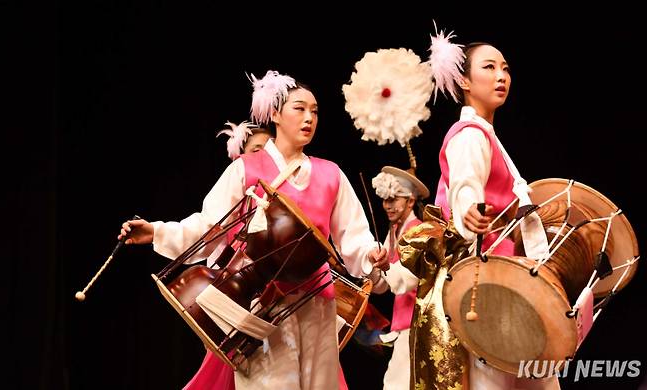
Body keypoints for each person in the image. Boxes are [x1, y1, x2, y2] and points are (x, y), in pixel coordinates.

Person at [119, 70, 388, 390]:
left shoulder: (331, 174)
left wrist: (371, 254)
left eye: (315, 111)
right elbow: (210, 226)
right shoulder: (246, 169)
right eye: (299, 109)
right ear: (275, 113)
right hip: (262, 304)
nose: (309, 118)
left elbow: (352, 235)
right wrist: (156, 232)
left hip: (317, 302)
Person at [431, 41, 557, 389]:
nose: (501, 76)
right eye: (489, 67)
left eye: (505, 68)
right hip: (486, 281)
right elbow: (464, 185)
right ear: (465, 81)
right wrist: (469, 211)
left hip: (501, 276)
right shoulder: (470, 135)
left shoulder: (486, 134)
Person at [181, 122, 274, 390]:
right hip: (236, 296)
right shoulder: (232, 213)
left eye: (269, 150)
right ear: (240, 158)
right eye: (256, 150)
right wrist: (156, 232)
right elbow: (206, 232)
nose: (264, 157)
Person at [368, 165, 429, 389]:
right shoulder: (395, 231)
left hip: (417, 322)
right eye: (385, 199)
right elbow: (382, 284)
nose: (387, 205)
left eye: (394, 199)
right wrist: (368, 266)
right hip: (404, 323)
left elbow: (404, 280)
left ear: (410, 201)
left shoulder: (419, 231)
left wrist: (381, 267)